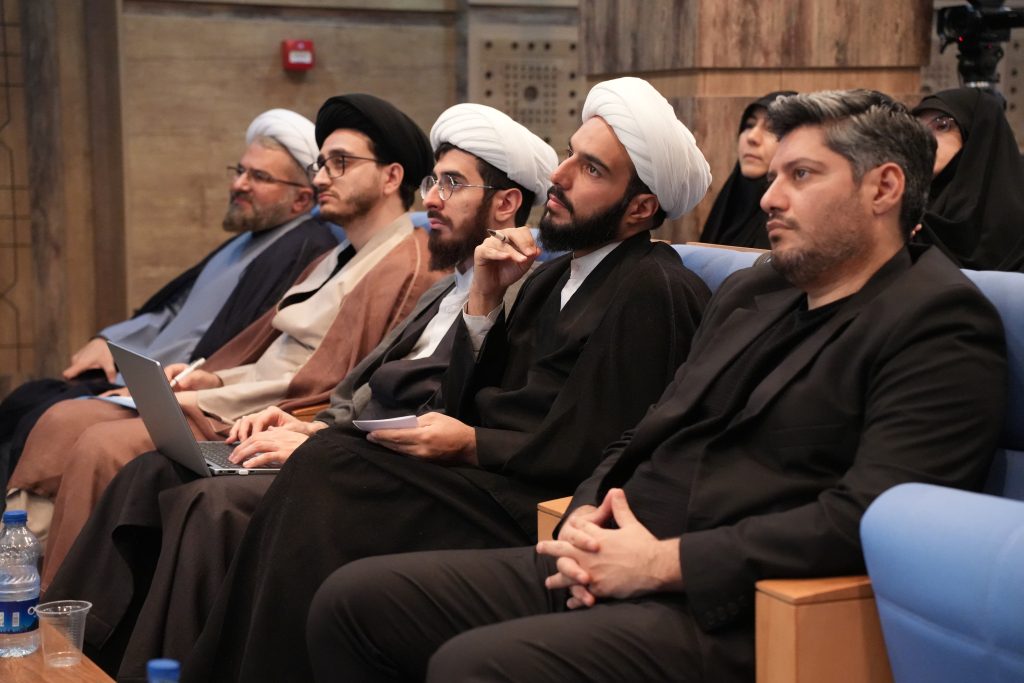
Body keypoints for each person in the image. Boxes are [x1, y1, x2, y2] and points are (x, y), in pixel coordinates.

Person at [305, 90, 1008, 683]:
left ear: (884, 188)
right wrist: (585, 515)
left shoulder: (937, 322)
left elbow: (869, 518)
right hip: (613, 554)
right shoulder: (758, 290)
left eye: (801, 175)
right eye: (775, 177)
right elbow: (646, 428)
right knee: (357, 600)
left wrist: (663, 564)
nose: (770, 197)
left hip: (732, 603)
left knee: (474, 665)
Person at [173, 76, 712, 683]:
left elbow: (600, 445)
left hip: (532, 501)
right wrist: (483, 300)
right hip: (482, 476)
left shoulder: (655, 287)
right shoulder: (547, 277)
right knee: (331, 451)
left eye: (590, 169)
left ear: (640, 208)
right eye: (569, 154)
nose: (559, 177)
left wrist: (472, 444)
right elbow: (459, 402)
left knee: (331, 464)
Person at [44, 101, 559, 681]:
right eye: (433, 182)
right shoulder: (442, 291)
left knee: (208, 507)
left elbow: (453, 414)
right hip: (335, 447)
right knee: (151, 473)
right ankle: (62, 657)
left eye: (452, 184)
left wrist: (321, 440)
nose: (431, 199)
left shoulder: (524, 298)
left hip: (382, 474)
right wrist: (305, 425)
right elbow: (354, 387)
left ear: (506, 203)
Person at [9, 93, 442, 586]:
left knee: (102, 445)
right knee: (63, 418)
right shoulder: (336, 256)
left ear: (391, 177)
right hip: (239, 394)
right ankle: (21, 574)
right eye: (321, 164)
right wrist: (210, 378)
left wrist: (210, 398)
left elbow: (337, 384)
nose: (322, 177)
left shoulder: (407, 263)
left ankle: (61, 607)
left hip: (269, 412)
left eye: (340, 163)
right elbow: (270, 350)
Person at [0, 108, 338, 484]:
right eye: (240, 171)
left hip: (180, 385)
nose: (239, 184)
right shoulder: (248, 240)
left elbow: (241, 347)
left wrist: (154, 387)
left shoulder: (302, 249)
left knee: (48, 415)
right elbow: (173, 308)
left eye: (259, 177)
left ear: (301, 200)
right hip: (145, 372)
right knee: (27, 400)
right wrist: (109, 340)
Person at [912, 87, 1024, 271]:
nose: (926, 139)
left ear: (978, 131)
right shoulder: (909, 212)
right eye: (917, 130)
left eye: (942, 126)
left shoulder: (1016, 215)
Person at [700, 91, 795, 248]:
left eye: (772, 128)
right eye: (749, 125)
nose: (752, 137)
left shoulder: (794, 221)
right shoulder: (728, 204)